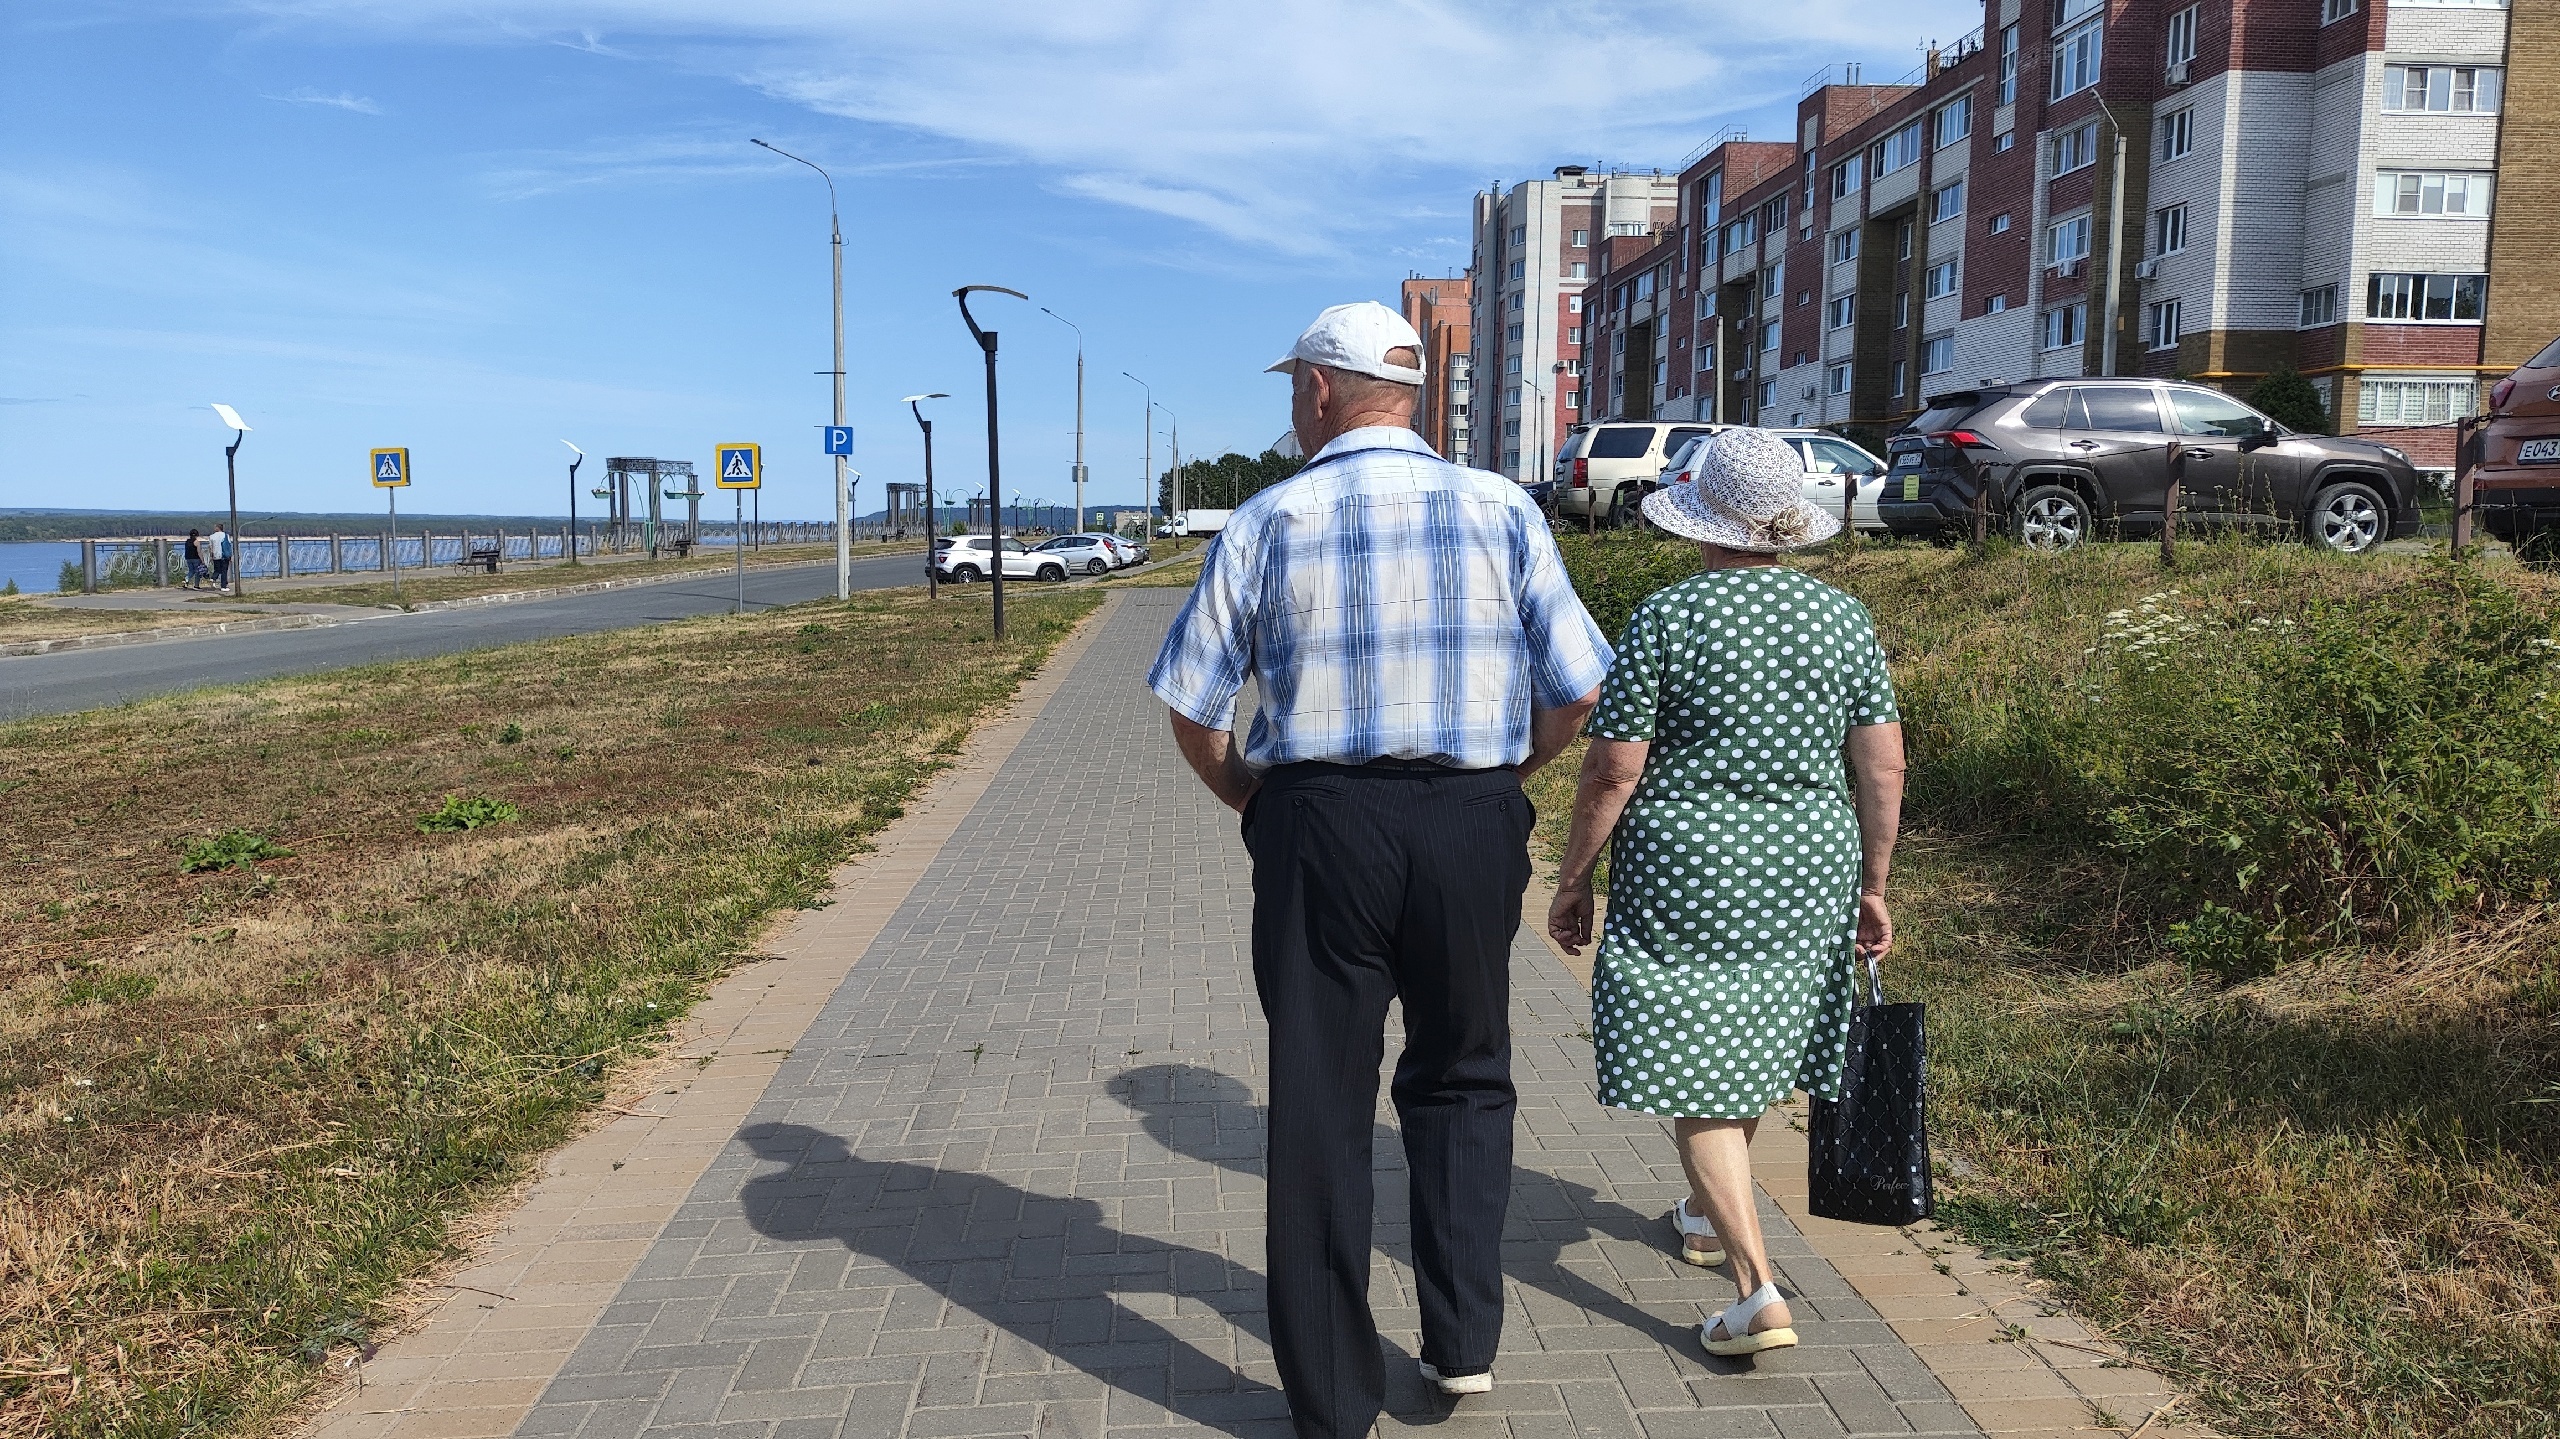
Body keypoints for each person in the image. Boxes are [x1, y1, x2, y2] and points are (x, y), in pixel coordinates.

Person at [1149, 301, 1613, 1438]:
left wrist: (1256, 802)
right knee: (1463, 1073)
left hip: (1319, 821)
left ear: (1318, 389)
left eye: (1291, 388)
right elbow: (1577, 686)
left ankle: (1331, 1399)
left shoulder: (1266, 518)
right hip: (1469, 815)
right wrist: (1505, 782)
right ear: (1407, 393)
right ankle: (1460, 1346)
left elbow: (1195, 706)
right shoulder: (1504, 507)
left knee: (1318, 1098)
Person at [1545, 428, 1907, 1360]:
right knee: (1744, 1037)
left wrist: (1573, 875)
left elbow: (1612, 771)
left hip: (1688, 871)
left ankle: (1756, 1289)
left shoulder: (1669, 617)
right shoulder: (1843, 621)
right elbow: (1883, 766)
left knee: (1695, 1057)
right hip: (1807, 866)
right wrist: (1874, 884)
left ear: (1703, 523)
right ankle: (1707, 1220)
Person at [207, 524, 233, 593]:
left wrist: (211, 556)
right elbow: (228, 546)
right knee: (224, 571)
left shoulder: (211, 536)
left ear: (217, 528)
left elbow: (210, 547)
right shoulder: (226, 535)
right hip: (224, 555)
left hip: (216, 555)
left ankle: (213, 578)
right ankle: (223, 586)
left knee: (217, 569)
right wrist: (230, 555)